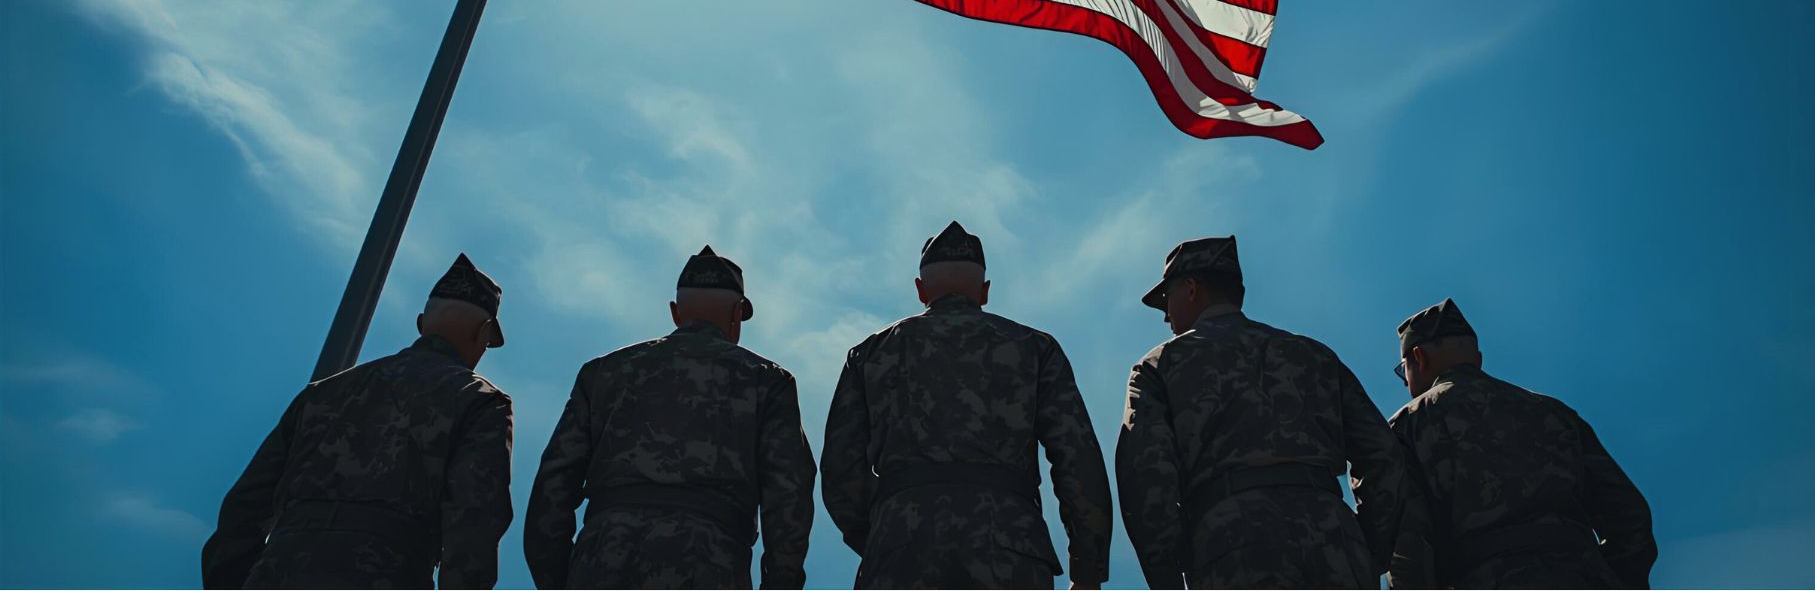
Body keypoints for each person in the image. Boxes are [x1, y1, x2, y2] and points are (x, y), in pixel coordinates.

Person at [1116, 235, 1427, 589]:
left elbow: (1145, 477)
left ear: (1191, 288)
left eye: (1166, 300)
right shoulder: (1314, 355)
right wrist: (1367, 547)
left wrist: (1166, 579)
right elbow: (1382, 455)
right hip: (1335, 540)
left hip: (1232, 545)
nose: (1167, 316)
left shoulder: (1160, 366)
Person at [822, 221, 1112, 589]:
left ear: (920, 289)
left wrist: (883, 532)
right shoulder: (1035, 349)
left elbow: (839, 469)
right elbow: (1077, 457)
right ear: (985, 291)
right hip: (1011, 550)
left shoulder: (871, 353)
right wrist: (1087, 570)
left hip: (901, 549)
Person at [202, 253, 514, 589]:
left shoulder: (322, 393)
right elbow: (474, 524)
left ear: (421, 324)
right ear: (482, 334)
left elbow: (244, 507)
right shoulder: (480, 401)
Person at [524, 246, 815, 589]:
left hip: (602, 560)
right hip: (709, 563)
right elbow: (788, 497)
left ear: (675, 313)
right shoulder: (766, 381)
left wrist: (562, 580)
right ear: (737, 314)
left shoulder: (603, 373)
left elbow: (553, 484)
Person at [1389, 299, 1657, 588]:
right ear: (1477, 359)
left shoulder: (1410, 424)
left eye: (1402, 369)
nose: (1405, 383)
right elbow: (1630, 517)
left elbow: (1407, 544)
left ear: (1419, 357)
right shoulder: (1554, 412)